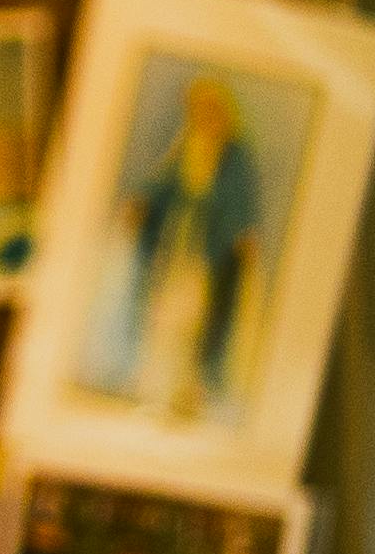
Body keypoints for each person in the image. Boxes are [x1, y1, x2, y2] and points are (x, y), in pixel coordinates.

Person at [113, 77, 271, 416]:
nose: (204, 116)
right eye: (199, 110)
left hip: (212, 247)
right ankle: (153, 385)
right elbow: (164, 185)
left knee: (203, 317)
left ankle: (194, 390)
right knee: (165, 310)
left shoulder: (236, 155)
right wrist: (141, 203)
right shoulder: (186, 147)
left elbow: (242, 199)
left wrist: (244, 232)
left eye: (211, 110)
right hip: (179, 243)